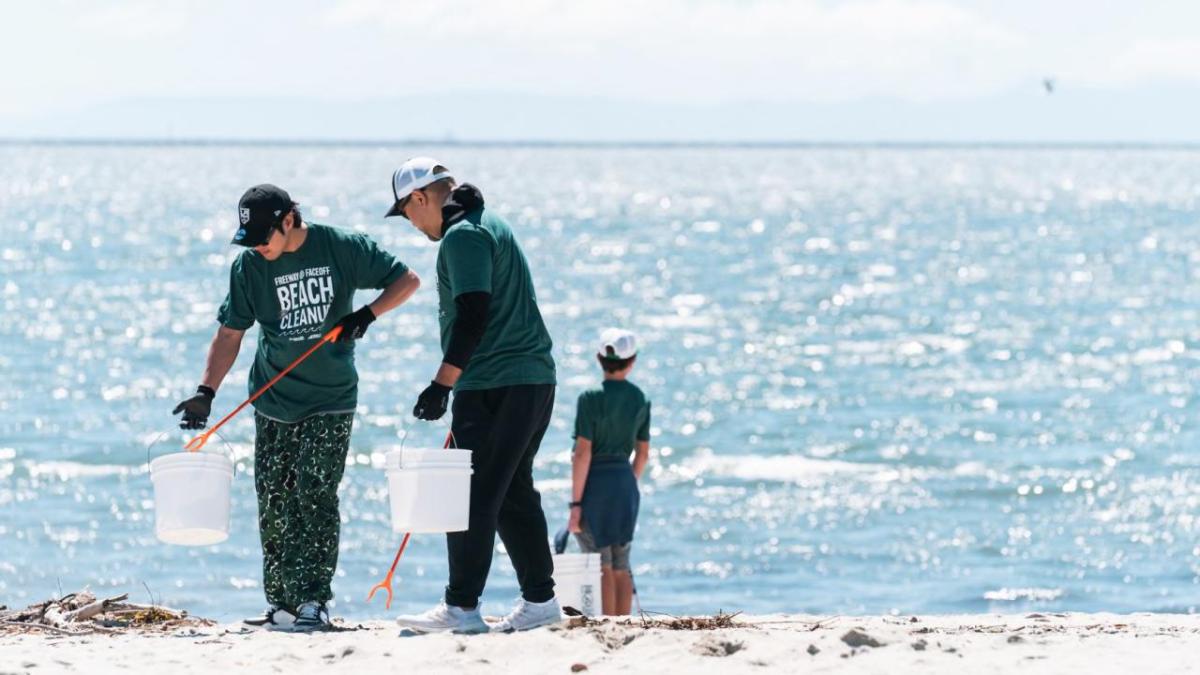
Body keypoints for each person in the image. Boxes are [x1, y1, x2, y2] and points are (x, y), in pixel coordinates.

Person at [172, 184, 420, 632]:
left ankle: (313, 601)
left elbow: (407, 281)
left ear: (289, 220)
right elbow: (231, 334)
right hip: (272, 397)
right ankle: (282, 604)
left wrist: (365, 316)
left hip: (331, 398)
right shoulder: (249, 266)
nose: (259, 246)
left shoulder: (342, 247)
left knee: (314, 494)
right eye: (251, 239)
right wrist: (205, 392)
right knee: (274, 500)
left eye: (264, 236)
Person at [385, 157, 560, 634]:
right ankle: (541, 602)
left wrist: (442, 383)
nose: (411, 225)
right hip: (531, 380)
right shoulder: (490, 223)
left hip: (497, 382)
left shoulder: (462, 236)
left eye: (406, 213)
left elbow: (473, 314)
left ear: (420, 198)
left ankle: (461, 608)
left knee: (473, 494)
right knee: (512, 492)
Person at [567, 328, 651, 616]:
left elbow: (582, 453)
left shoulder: (590, 398)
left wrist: (576, 503)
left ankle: (606, 623)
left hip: (596, 483)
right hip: (624, 483)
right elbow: (642, 453)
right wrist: (629, 483)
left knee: (599, 559)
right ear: (633, 361)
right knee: (621, 561)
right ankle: (623, 622)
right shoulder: (640, 398)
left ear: (599, 358)